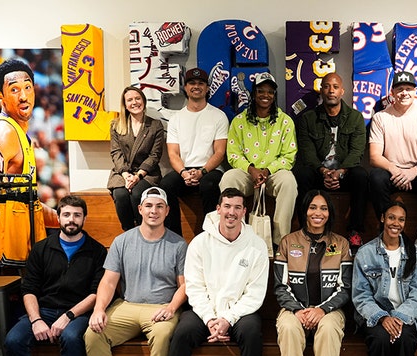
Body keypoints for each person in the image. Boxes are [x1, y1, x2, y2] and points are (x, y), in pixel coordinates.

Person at [157, 187, 269, 356]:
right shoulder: (200, 243)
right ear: (218, 209)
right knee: (182, 332)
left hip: (239, 311)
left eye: (237, 207)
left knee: (252, 331)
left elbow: (255, 293)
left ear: (244, 211)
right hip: (205, 308)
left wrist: (228, 319)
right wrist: (210, 319)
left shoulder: (256, 245)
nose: (231, 212)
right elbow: (194, 288)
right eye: (227, 206)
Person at [83, 187, 187, 356]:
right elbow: (109, 281)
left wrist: (172, 308)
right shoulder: (122, 241)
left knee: (162, 335)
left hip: (162, 308)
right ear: (140, 209)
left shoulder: (178, 244)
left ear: (167, 210)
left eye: (159, 206)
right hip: (128, 305)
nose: (154, 211)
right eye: (149, 206)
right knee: (93, 333)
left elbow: (184, 286)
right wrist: (99, 309)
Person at [3, 195, 106, 356]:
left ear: (84, 218)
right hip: (45, 309)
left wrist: (69, 316)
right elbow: (28, 289)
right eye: (67, 214)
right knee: (13, 340)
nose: (72, 220)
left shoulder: (97, 251)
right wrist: (36, 319)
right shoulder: (41, 249)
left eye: (77, 215)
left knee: (71, 337)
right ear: (58, 217)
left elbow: (96, 293)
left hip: (78, 312)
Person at [274, 190, 353, 356]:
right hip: (295, 309)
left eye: (323, 208)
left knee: (329, 330)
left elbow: (346, 288)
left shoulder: (340, 244)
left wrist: (322, 310)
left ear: (330, 213)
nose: (318, 213)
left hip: (329, 311)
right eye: (312, 208)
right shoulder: (288, 242)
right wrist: (298, 310)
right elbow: (280, 287)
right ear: (304, 211)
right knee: (287, 328)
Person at [352, 201, 417, 356]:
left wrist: (400, 317)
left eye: (401, 219)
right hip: (376, 314)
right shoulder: (365, 254)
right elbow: (360, 295)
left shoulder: (414, 253)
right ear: (383, 218)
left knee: (405, 338)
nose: (396, 223)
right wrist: (382, 317)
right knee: (379, 339)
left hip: (406, 314)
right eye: (392, 217)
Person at [220, 72, 297, 250]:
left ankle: (280, 242)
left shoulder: (285, 121)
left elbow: (289, 155)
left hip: (273, 175)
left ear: (274, 95)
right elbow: (233, 154)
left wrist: (268, 171)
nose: (265, 95)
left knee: (289, 181)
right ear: (253, 94)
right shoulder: (239, 121)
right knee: (228, 178)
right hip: (248, 175)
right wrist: (251, 169)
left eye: (270, 92)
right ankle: (231, 234)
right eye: (261, 91)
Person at [293, 73, 369, 253]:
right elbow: (307, 153)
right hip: (319, 173)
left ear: (342, 91)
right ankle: (306, 228)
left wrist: (340, 172)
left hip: (345, 173)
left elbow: (357, 152)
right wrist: (323, 172)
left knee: (361, 175)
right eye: (326, 86)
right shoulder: (308, 118)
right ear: (321, 90)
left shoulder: (355, 118)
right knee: (301, 174)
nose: (331, 91)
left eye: (335, 87)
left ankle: (355, 231)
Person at [368, 71, 417, 240]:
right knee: (375, 177)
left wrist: (413, 172)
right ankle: (387, 230)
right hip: (392, 173)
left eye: (408, 88)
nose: (404, 93)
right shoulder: (380, 117)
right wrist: (397, 171)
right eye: (400, 89)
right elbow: (375, 157)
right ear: (392, 93)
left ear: (415, 92)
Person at [159, 68, 229, 235]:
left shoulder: (218, 116)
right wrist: (184, 173)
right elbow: (173, 154)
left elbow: (219, 153)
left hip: (210, 170)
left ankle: (210, 235)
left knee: (209, 185)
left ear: (207, 88)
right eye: (192, 83)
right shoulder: (176, 119)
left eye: (201, 83)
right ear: (185, 87)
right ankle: (174, 238)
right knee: (166, 185)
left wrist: (202, 171)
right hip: (184, 170)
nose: (196, 86)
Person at [108, 86, 165, 230]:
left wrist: (138, 176)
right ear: (125, 105)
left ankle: (144, 230)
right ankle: (128, 231)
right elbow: (116, 152)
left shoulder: (155, 125)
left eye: (138, 98)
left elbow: (155, 155)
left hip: (146, 173)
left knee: (137, 194)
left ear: (144, 101)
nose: (134, 102)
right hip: (122, 172)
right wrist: (126, 175)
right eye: (130, 100)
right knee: (120, 195)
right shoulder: (116, 125)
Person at [0, 59, 36, 181]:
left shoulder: (20, 133)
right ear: (0, 95)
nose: (23, 97)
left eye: (27, 87)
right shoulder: (2, 133)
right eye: (14, 90)